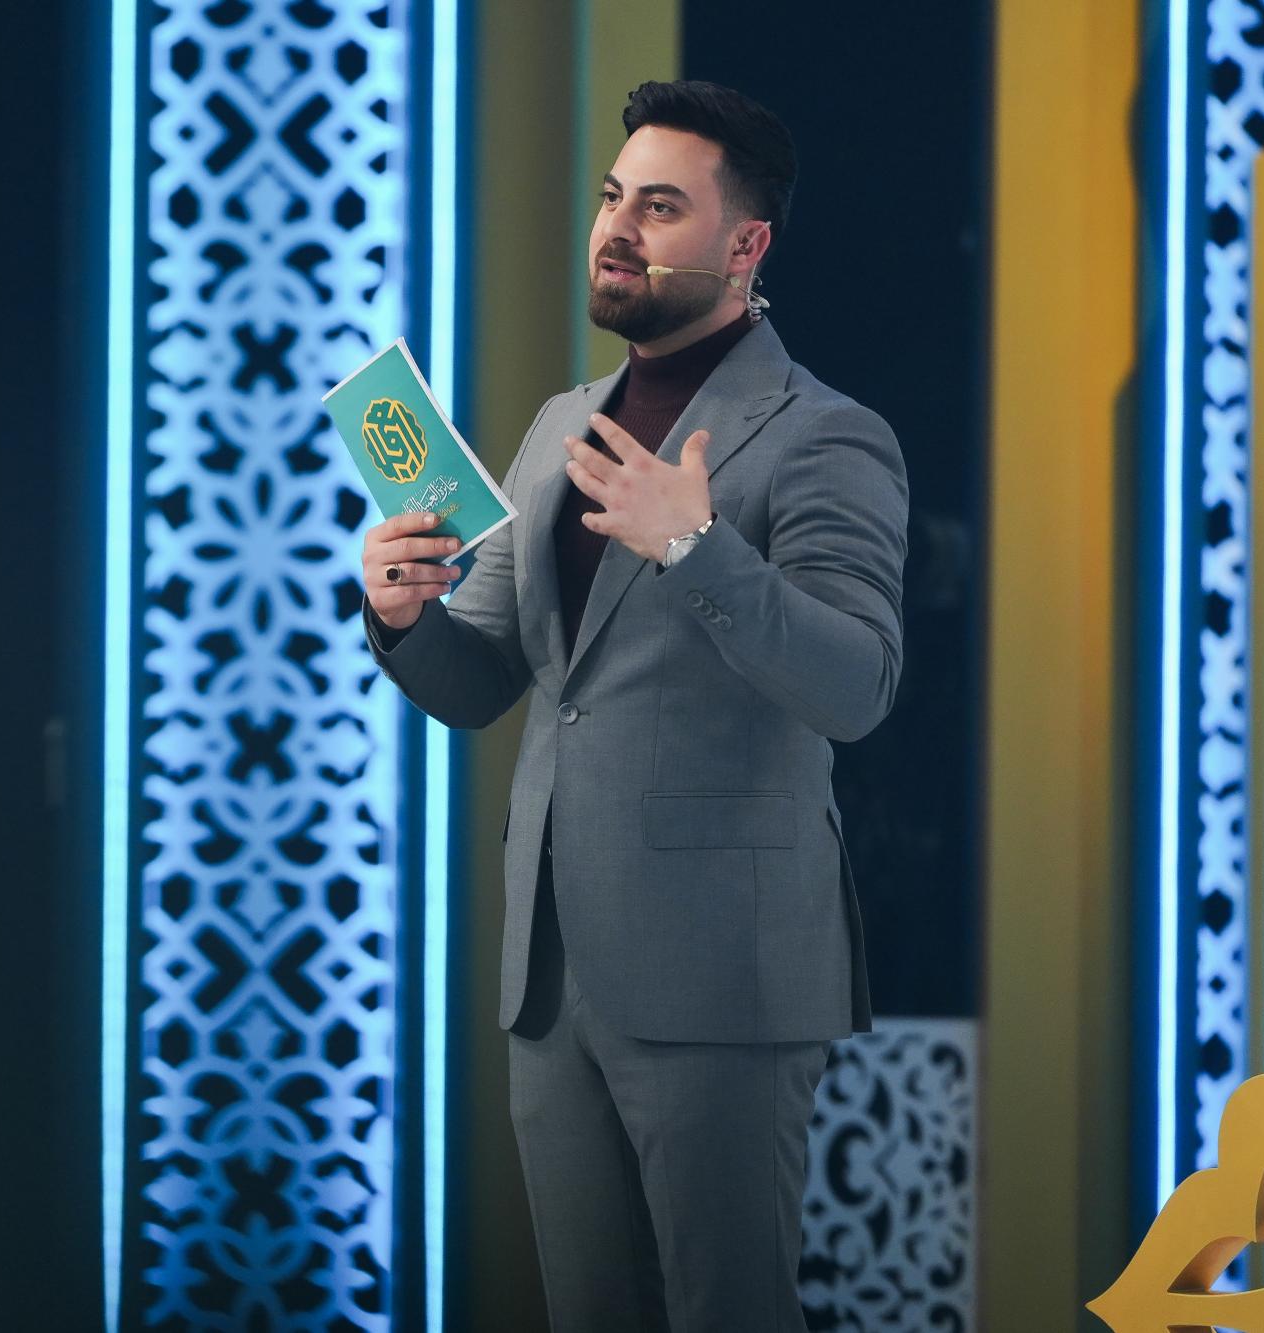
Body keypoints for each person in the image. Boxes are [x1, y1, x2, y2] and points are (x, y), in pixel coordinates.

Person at [360, 80, 908, 1331]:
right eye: (613, 197)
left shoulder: (825, 434)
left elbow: (856, 686)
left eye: (660, 208)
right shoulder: (562, 424)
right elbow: (485, 680)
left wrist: (697, 549)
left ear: (744, 243)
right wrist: (400, 618)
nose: (616, 227)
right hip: (552, 975)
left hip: (724, 978)